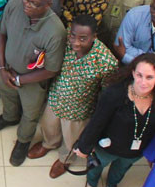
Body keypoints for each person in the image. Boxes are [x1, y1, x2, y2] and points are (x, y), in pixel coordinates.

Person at [0, 0, 65, 166]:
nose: (27, 5)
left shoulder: (56, 31)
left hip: (32, 81)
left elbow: (51, 69)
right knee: (6, 94)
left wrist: (21, 79)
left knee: (30, 113)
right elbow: (1, 34)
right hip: (6, 69)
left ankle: (23, 140)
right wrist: (2, 68)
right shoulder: (14, 5)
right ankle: (9, 117)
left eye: (34, 3)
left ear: (47, 5)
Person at [74, 53, 155, 187]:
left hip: (135, 151)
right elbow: (97, 122)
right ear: (132, 72)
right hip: (107, 146)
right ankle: (92, 184)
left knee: (121, 170)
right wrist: (84, 145)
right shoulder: (115, 94)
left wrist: (153, 153)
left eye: (149, 77)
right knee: (97, 166)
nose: (143, 82)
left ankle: (111, 185)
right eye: (139, 75)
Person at [27, 14, 118, 165]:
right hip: (56, 98)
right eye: (73, 36)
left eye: (83, 38)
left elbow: (106, 93)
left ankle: (65, 159)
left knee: (71, 138)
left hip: (78, 109)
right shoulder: (65, 40)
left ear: (94, 37)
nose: (76, 42)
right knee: (49, 126)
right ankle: (48, 144)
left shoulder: (106, 61)